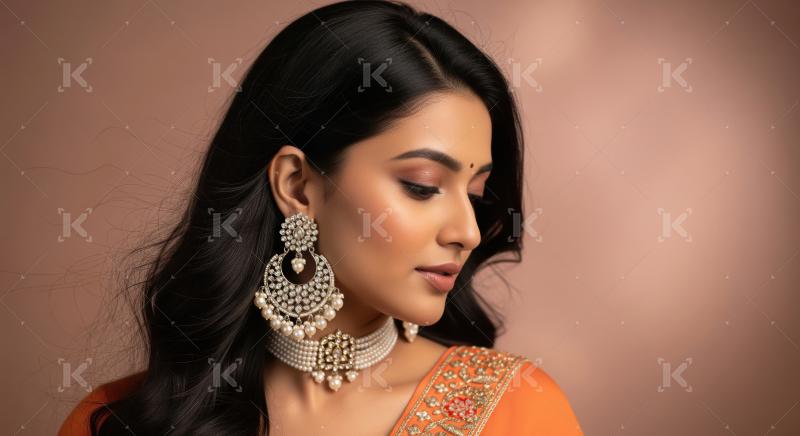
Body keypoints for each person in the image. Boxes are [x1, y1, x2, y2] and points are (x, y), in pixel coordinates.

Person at [59, 1, 583, 434]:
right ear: (297, 186)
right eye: (422, 187)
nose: (467, 232)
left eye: (476, 194)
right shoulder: (119, 422)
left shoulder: (517, 411)